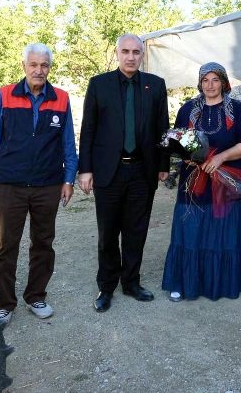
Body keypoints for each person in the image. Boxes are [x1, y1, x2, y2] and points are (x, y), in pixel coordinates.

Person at [0, 43, 77, 325]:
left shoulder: (61, 99)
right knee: (7, 245)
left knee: (43, 243)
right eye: (33, 65)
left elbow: (68, 143)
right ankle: (5, 303)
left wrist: (68, 178)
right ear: (24, 66)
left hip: (48, 184)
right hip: (9, 184)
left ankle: (36, 296)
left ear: (49, 68)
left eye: (44, 65)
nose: (38, 70)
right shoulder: (5, 95)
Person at [78, 34, 170, 313]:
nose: (131, 57)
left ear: (142, 55)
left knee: (136, 230)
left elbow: (162, 127)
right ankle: (106, 286)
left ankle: (131, 282)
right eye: (126, 51)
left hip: (142, 170)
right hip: (109, 171)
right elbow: (88, 129)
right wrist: (85, 169)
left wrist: (163, 165)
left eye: (136, 52)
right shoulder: (99, 84)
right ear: (117, 53)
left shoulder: (155, 85)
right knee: (108, 232)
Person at [161, 63, 241, 301]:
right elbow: (178, 141)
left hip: (228, 181)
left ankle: (224, 281)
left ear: (224, 82)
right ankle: (184, 281)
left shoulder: (236, 109)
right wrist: (190, 156)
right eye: (205, 80)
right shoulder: (188, 110)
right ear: (199, 83)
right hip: (194, 181)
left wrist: (220, 157)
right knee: (191, 229)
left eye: (215, 80)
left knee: (225, 232)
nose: (210, 85)